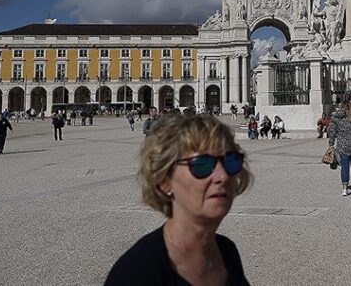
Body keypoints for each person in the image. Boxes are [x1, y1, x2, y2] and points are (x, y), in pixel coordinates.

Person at [104, 114, 252, 285]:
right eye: (202, 165)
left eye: (230, 161)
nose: (222, 176)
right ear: (165, 180)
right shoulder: (135, 274)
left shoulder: (226, 252)